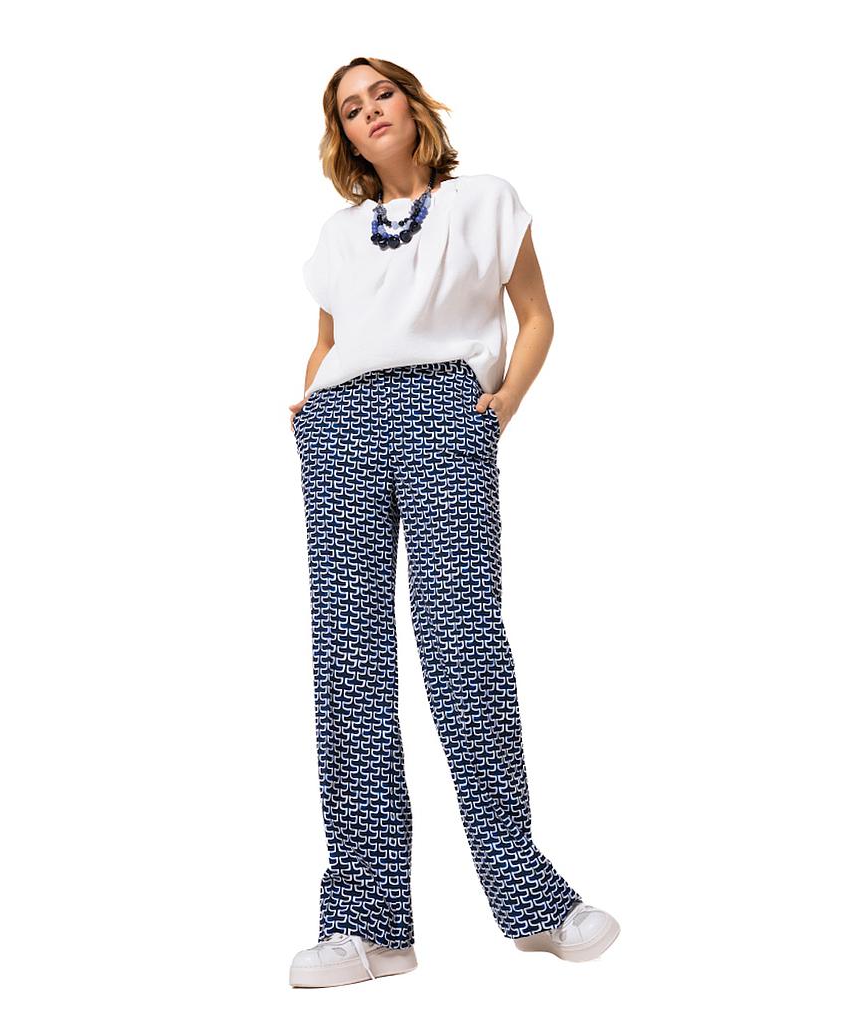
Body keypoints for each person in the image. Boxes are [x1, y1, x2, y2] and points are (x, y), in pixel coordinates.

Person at [288, 58, 620, 989]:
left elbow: (536, 314)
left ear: (412, 103)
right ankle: (368, 925)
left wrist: (501, 404)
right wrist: (310, 403)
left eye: (381, 93)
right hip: (341, 426)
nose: (370, 112)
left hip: (446, 408)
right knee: (349, 657)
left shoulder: (486, 201)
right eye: (351, 109)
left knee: (464, 643)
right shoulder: (339, 234)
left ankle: (532, 902)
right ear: (346, 137)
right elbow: (329, 339)